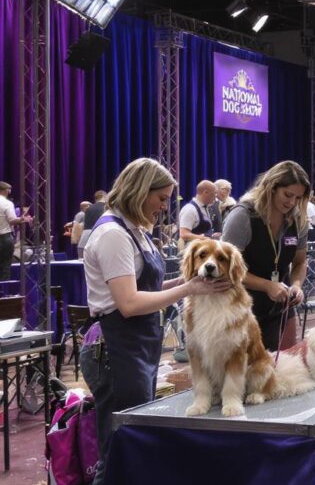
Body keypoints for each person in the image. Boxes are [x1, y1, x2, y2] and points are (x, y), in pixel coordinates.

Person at [80, 158, 230, 485]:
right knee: (118, 444)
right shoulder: (112, 234)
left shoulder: (135, 231)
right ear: (139, 191)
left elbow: (145, 289)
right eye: (161, 199)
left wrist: (188, 283)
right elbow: (130, 303)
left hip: (137, 346)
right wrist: (189, 288)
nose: (164, 207)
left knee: (133, 440)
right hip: (115, 347)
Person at [222, 161, 311, 351]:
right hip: (241, 306)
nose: (292, 202)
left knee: (286, 363)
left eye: (298, 197)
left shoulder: (299, 219)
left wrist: (296, 285)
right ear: (271, 187)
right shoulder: (242, 216)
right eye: (287, 195)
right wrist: (266, 285)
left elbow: (300, 261)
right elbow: (227, 269)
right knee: (246, 370)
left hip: (280, 304)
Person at [0, 181, 33, 280]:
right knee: (5, 267)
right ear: (6, 191)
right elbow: (12, 220)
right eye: (9, 190)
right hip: (3, 238)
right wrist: (22, 219)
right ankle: (3, 293)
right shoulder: (7, 203)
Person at [79, 190, 108, 257]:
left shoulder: (88, 209)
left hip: (83, 241)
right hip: (97, 241)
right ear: (105, 196)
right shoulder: (107, 208)